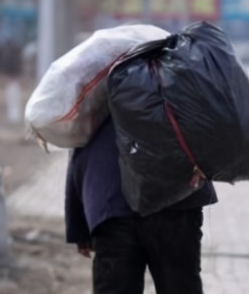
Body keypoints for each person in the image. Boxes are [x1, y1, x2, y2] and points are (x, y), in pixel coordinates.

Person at [65, 118, 217, 294]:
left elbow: (77, 129)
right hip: (176, 194)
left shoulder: (102, 90)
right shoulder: (182, 90)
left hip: (111, 195)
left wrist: (77, 221)